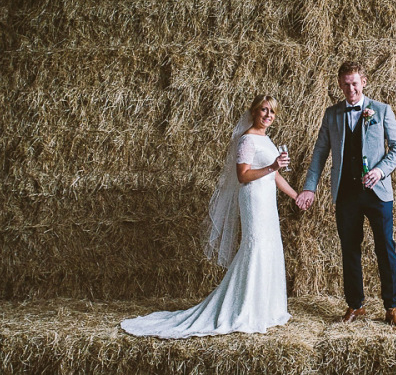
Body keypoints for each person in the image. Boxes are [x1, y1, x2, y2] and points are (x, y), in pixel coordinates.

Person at [121, 94, 298, 338]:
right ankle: (245, 309)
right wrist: (272, 166)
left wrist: (296, 195)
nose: (268, 115)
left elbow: (275, 176)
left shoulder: (266, 140)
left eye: (273, 112)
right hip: (253, 200)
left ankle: (267, 308)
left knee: (270, 247)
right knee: (255, 247)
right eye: (264, 110)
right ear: (254, 112)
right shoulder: (247, 139)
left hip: (267, 201)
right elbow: (243, 176)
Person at [296, 61, 396, 327]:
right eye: (345, 84)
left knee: (385, 248)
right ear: (339, 85)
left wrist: (380, 171)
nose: (350, 88)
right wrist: (310, 187)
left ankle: (392, 307)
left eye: (355, 83)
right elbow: (320, 153)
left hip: (377, 193)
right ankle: (355, 306)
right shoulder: (331, 114)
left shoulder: (381, 110)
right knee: (349, 250)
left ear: (364, 82)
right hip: (346, 193)